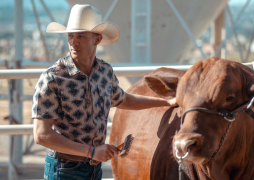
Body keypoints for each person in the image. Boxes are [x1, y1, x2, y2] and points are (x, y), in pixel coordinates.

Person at [32, 4, 177, 180]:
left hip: (94, 167)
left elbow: (124, 99)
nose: (73, 42)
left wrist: (166, 102)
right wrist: (91, 151)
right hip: (64, 168)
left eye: (81, 36)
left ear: (97, 39)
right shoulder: (53, 78)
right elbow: (42, 135)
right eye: (71, 36)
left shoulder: (104, 71)